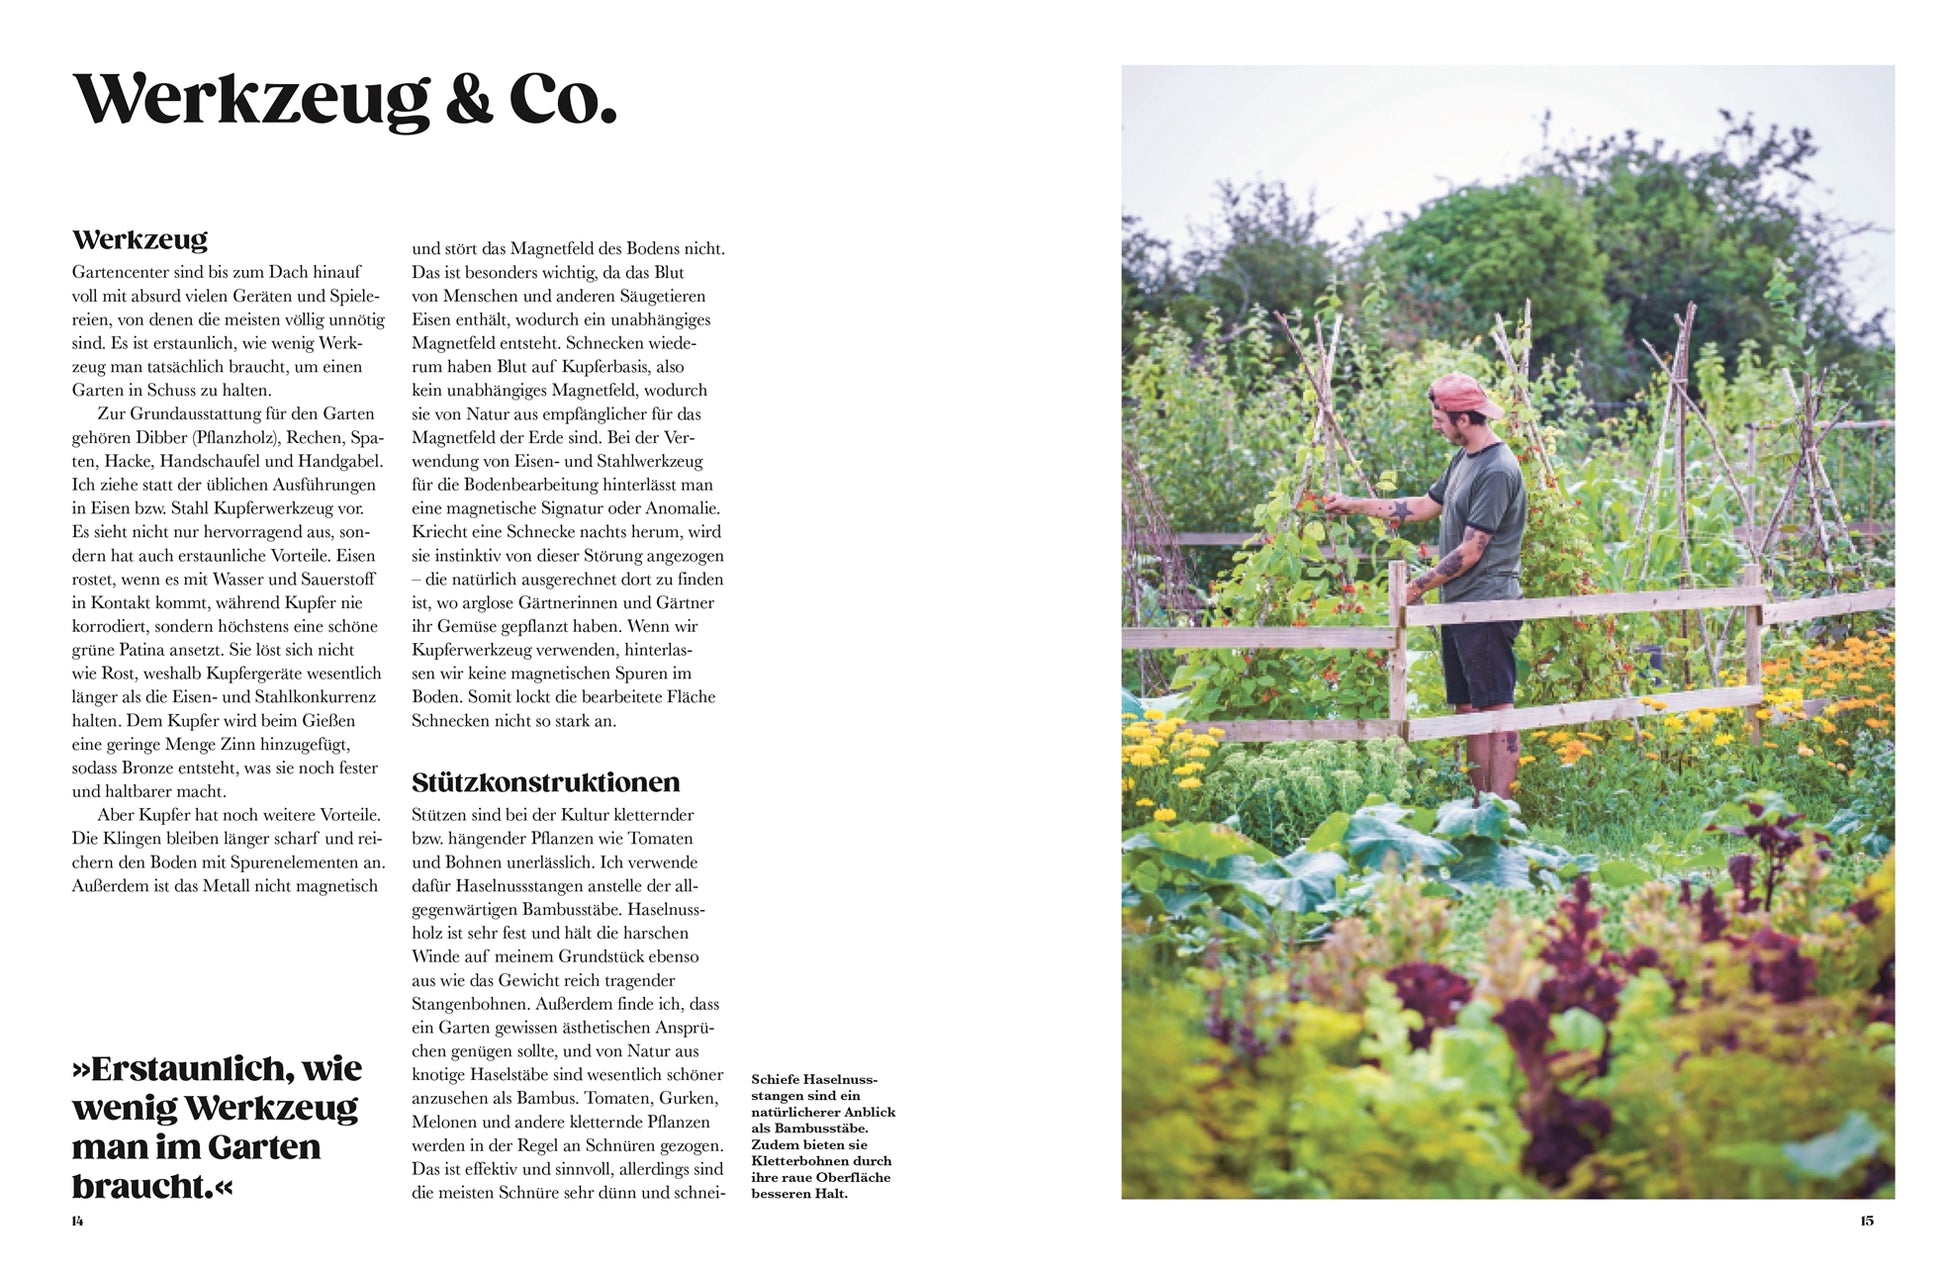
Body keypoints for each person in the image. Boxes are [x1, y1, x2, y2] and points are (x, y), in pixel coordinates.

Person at [1319, 372, 1528, 798]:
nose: (1435, 425)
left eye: (1439, 418)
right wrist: (1355, 505)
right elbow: (1422, 507)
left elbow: (1472, 550)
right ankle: (1480, 805)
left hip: (1487, 605)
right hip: (1460, 605)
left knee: (1497, 709)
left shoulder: (1496, 470)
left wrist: (1417, 586)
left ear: (1464, 419)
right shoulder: (1465, 459)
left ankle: (1502, 812)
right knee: (1469, 709)